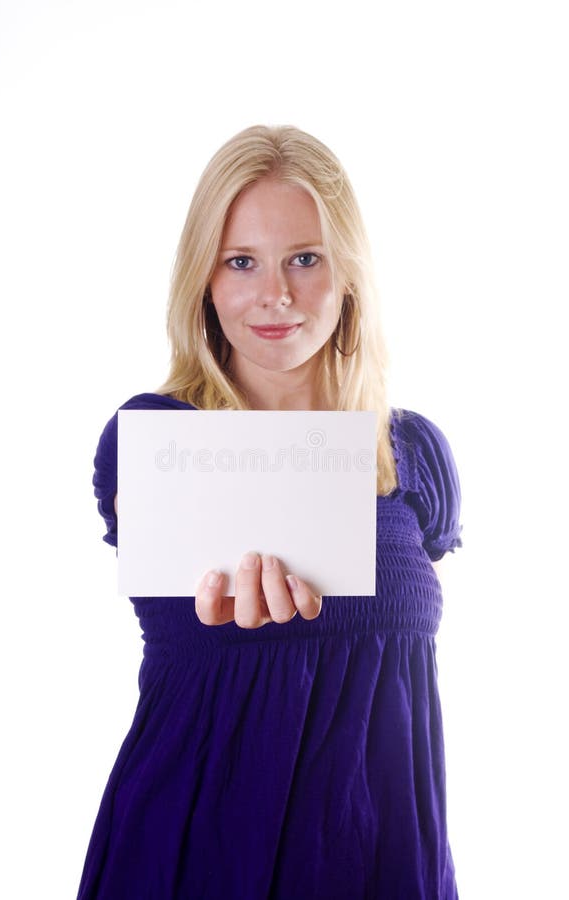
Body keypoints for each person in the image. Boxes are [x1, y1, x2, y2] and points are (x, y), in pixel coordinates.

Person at [77, 124, 463, 899]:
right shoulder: (157, 442)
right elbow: (169, 598)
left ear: (349, 273)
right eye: (242, 261)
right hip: (194, 853)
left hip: (381, 858)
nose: (275, 294)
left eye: (306, 260)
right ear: (205, 280)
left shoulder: (413, 453)